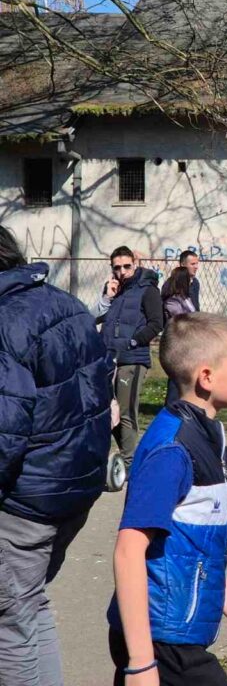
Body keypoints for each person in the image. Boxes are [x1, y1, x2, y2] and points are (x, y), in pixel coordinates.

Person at [107, 313, 227, 685]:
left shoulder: (208, 433)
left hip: (178, 636)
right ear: (206, 377)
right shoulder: (172, 450)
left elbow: (196, 553)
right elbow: (128, 550)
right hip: (161, 641)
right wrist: (141, 662)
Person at [0, 226, 111, 686]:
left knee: (9, 626)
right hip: (71, 488)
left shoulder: (6, 320)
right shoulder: (65, 304)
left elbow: (5, 430)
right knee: (29, 606)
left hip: (24, 500)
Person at [95, 245, 163, 470]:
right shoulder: (114, 289)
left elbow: (156, 323)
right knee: (108, 410)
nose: (122, 271)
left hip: (133, 358)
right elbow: (94, 317)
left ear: (135, 264)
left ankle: (129, 463)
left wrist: (134, 341)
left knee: (125, 411)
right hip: (109, 358)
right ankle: (122, 458)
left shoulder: (148, 289)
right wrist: (107, 297)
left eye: (126, 266)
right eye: (117, 267)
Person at [162, 267, 198, 406]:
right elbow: (182, 319)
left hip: (189, 343)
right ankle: (171, 407)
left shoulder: (185, 298)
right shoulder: (172, 301)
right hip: (178, 344)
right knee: (176, 380)